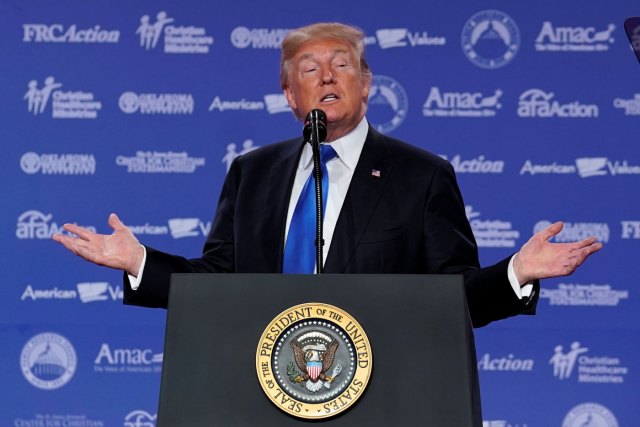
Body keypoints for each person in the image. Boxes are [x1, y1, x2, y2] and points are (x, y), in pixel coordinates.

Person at [52, 22, 601, 328]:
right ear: (291, 96)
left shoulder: (422, 175)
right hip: (261, 387)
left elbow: (451, 296)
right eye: (309, 70)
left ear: (367, 85)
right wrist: (140, 262)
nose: (328, 76)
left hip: (382, 391)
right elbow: (220, 281)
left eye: (342, 64)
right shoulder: (252, 172)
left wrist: (516, 273)